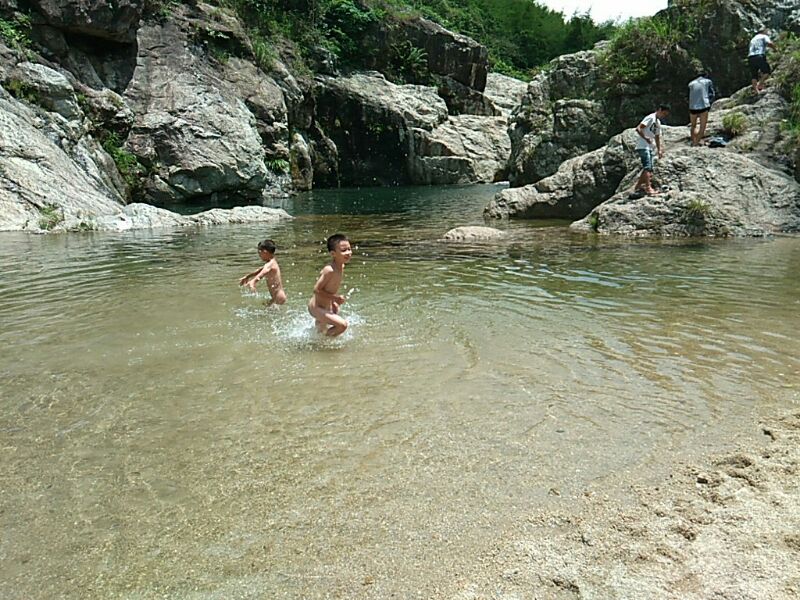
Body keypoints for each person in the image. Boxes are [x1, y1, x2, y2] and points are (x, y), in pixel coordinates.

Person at [308, 233, 352, 337]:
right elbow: (316, 290)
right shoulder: (329, 270)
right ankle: (322, 340)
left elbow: (331, 287)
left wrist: (333, 302)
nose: (348, 253)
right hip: (316, 307)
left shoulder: (341, 266)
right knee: (342, 325)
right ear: (333, 254)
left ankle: (318, 341)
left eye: (349, 249)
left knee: (320, 330)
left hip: (326, 305)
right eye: (343, 250)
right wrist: (335, 298)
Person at [633, 104, 670, 196]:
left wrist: (659, 149)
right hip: (643, 146)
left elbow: (657, 136)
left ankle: (638, 186)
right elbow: (638, 128)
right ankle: (648, 188)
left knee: (649, 168)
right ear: (660, 110)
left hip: (649, 147)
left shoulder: (657, 122)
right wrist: (646, 138)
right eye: (664, 114)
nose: (664, 116)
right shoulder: (650, 118)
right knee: (648, 167)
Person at [238, 239, 287, 306]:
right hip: (277, 297)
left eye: (259, 253)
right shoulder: (272, 262)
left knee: (270, 310)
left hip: (278, 297)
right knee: (266, 307)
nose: (259, 256)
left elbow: (263, 273)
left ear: (265, 252)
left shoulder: (270, 264)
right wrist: (248, 276)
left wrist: (253, 281)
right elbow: (259, 270)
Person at [688, 71, 715, 146]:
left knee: (693, 125)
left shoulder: (691, 83)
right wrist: (709, 103)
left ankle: (694, 141)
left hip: (692, 107)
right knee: (702, 127)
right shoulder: (708, 81)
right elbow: (711, 94)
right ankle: (696, 143)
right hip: (703, 106)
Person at [748, 28, 776, 93]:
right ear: (764, 32)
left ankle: (756, 91)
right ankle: (759, 84)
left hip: (750, 57)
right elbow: (769, 43)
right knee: (767, 72)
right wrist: (775, 49)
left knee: (754, 75)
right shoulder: (764, 36)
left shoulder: (753, 39)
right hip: (759, 55)